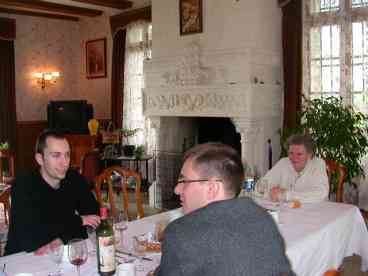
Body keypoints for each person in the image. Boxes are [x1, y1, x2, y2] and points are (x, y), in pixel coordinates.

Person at [155, 142, 294, 276]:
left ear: (212, 188)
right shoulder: (262, 217)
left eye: (184, 181)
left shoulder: (181, 233)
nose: (177, 189)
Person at [5, 129, 100, 255]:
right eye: (56, 155)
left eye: (67, 155)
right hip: (20, 260)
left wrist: (61, 240)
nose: (64, 162)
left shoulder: (74, 178)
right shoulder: (24, 185)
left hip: (60, 254)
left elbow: (95, 220)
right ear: (40, 159)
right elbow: (30, 240)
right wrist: (78, 221)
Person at [263, 134, 329, 203]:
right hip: (287, 210)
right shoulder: (284, 162)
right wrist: (272, 192)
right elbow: (263, 185)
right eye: (291, 153)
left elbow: (321, 194)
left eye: (299, 154)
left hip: (315, 210)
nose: (294, 158)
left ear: (309, 155)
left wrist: (287, 195)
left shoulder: (318, 164)